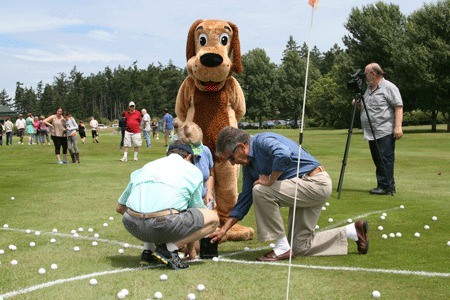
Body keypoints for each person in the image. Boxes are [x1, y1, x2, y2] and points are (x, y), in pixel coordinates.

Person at [209, 126, 369, 261]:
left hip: (315, 183)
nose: (231, 162)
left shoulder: (263, 141)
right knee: (300, 246)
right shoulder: (249, 166)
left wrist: (271, 179)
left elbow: (283, 154)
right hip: (305, 188)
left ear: (241, 147)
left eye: (231, 157)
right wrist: (225, 229)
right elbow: (245, 199)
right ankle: (352, 231)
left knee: (260, 190)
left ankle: (281, 247)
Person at [115, 140, 219, 269]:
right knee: (213, 218)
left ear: (168, 153)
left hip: (132, 224)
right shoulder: (193, 171)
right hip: (164, 225)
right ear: (189, 156)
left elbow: (119, 207)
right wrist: (191, 248)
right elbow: (194, 209)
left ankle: (149, 249)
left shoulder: (146, 166)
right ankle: (169, 248)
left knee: (154, 211)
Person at [356, 62, 403, 195]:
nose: (365, 77)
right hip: (371, 131)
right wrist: (358, 103)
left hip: (384, 130)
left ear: (373, 74)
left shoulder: (389, 87)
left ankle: (387, 187)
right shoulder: (368, 88)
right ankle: (383, 185)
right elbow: (366, 107)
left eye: (366, 74)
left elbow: (398, 106)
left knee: (385, 159)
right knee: (378, 159)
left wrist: (398, 127)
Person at [178, 121, 215, 208]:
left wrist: (209, 192)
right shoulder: (176, 157)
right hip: (184, 205)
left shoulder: (205, 151)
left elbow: (210, 175)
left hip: (205, 201)